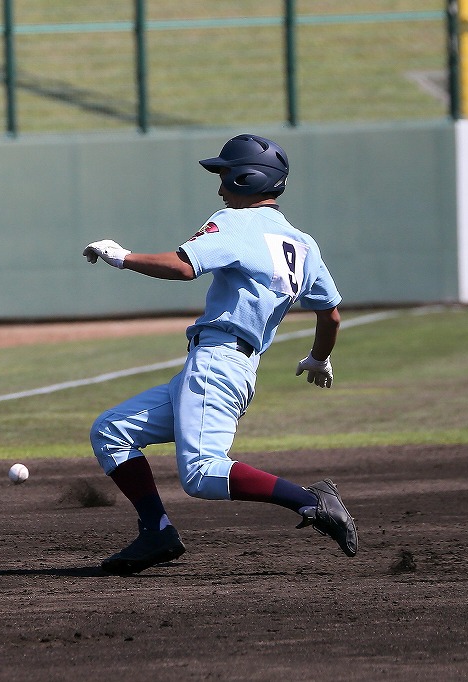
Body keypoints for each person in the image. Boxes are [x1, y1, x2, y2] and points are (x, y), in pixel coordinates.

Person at [82, 133, 356, 576]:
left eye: (225, 175)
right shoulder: (303, 243)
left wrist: (123, 257)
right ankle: (157, 532)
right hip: (231, 367)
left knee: (202, 473)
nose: (220, 186)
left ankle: (310, 500)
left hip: (217, 364)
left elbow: (184, 266)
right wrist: (319, 358)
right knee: (112, 431)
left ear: (249, 179)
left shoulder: (235, 223)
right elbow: (331, 316)